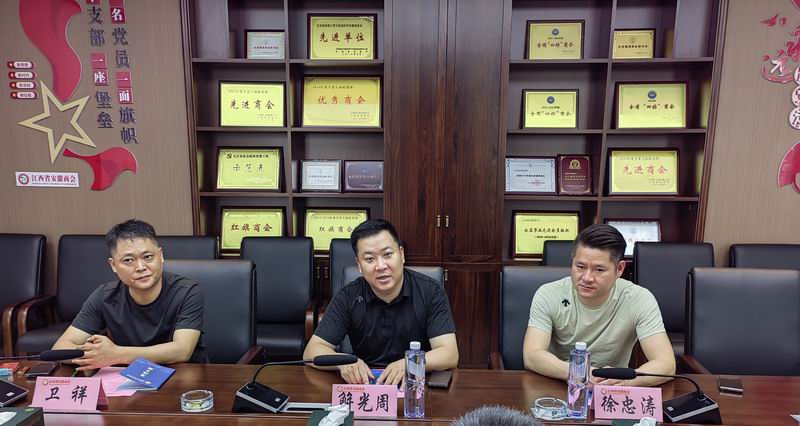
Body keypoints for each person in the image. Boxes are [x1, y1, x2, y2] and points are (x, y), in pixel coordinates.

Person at [304, 219, 458, 385]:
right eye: (370, 259)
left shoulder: (430, 291)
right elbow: (312, 351)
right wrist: (342, 362)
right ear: (359, 265)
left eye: (387, 254)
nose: (381, 266)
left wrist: (409, 364)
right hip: (367, 383)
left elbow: (449, 353)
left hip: (416, 385)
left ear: (401, 254)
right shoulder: (348, 296)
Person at [522, 224, 675, 386]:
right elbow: (532, 355)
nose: (587, 278)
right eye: (580, 267)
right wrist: (578, 372)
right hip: (556, 383)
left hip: (614, 388)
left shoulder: (639, 299)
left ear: (619, 269)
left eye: (599, 270)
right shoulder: (549, 294)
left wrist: (625, 382)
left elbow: (666, 365)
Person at [52, 219, 208, 370]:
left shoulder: (187, 291)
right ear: (114, 265)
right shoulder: (104, 296)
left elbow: (182, 351)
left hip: (183, 377)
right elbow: (60, 348)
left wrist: (116, 354)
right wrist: (94, 355)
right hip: (127, 379)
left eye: (148, 257)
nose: (140, 267)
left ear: (160, 256)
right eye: (128, 260)